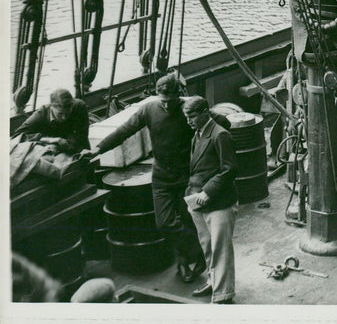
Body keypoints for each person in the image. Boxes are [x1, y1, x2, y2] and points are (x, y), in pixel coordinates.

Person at [86, 74, 206, 283]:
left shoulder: (188, 109)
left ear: (180, 94)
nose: (167, 105)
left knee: (187, 221)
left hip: (187, 176)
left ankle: (184, 263)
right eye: (163, 100)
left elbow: (216, 123)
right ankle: (199, 251)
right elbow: (125, 130)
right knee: (165, 223)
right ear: (157, 96)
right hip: (161, 178)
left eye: (172, 100)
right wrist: (98, 148)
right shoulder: (149, 109)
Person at [182, 96, 237, 304]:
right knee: (208, 247)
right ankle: (214, 282)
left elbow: (229, 169)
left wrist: (208, 191)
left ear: (205, 112)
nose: (188, 121)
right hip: (199, 203)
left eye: (192, 116)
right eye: (186, 117)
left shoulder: (220, 135)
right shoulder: (197, 135)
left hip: (218, 202)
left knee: (220, 249)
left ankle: (223, 295)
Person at [15, 89, 90, 154]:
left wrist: (69, 143)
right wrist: (51, 140)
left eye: (67, 113)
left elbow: (82, 137)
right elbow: (17, 136)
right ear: (51, 107)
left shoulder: (80, 107)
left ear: (72, 106)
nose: (64, 118)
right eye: (60, 114)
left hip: (76, 148)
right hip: (51, 149)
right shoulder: (41, 114)